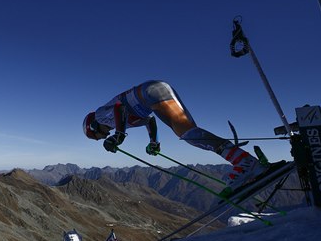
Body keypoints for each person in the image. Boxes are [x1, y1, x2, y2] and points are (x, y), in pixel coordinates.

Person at [82, 80, 266, 190]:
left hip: (149, 94)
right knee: (189, 134)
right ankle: (243, 161)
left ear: (93, 127)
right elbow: (149, 121)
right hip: (152, 95)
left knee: (190, 135)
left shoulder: (100, 116)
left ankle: (245, 163)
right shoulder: (119, 121)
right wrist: (154, 141)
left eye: (99, 136)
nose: (105, 136)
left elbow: (119, 107)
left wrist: (120, 135)